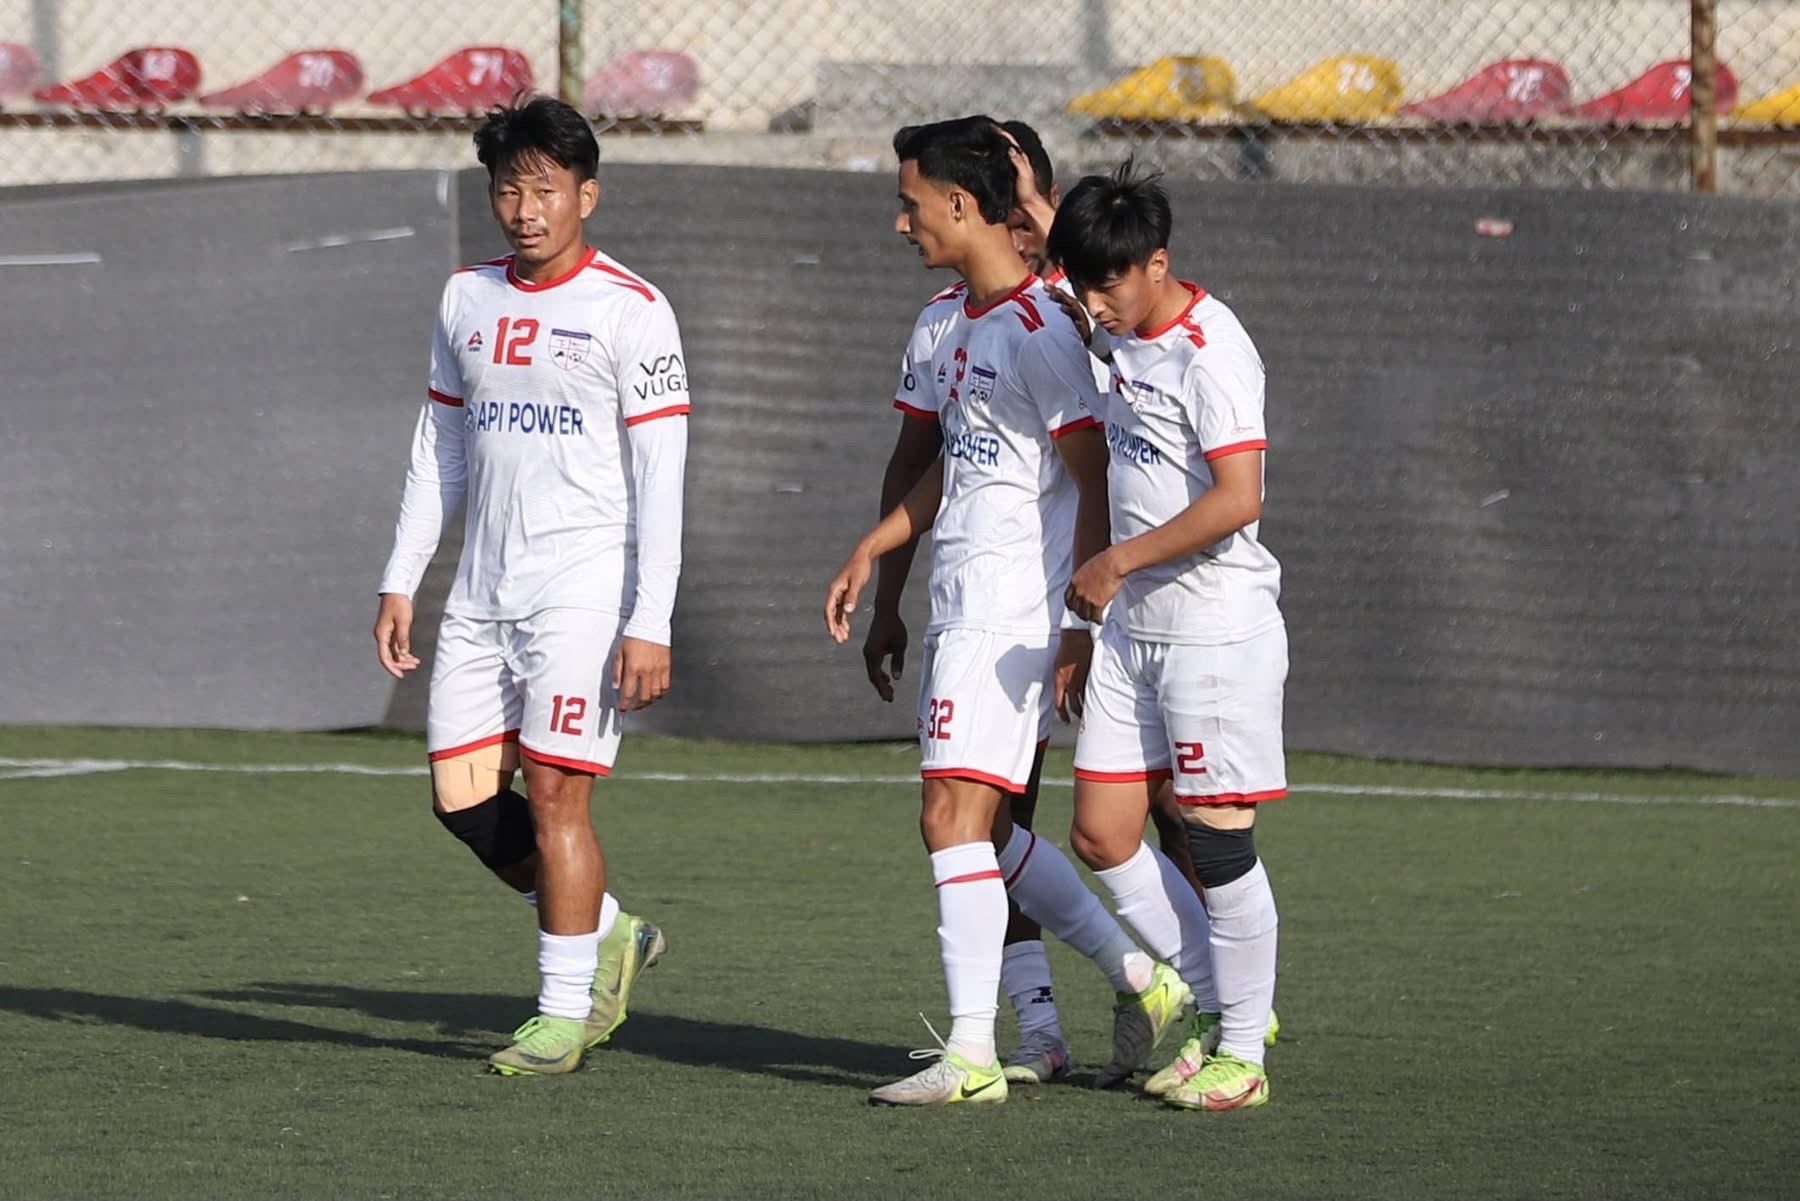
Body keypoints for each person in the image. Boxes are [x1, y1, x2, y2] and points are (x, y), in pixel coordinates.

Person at [827, 117, 1191, 1107]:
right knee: (980, 831)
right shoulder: (959, 323)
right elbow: (953, 464)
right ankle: (1139, 977)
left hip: (1011, 616)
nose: (901, 222)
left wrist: (1079, 625)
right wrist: (875, 550)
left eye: (910, 203)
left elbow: (1096, 477)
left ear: (958, 204)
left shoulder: (1041, 330)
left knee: (949, 817)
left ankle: (973, 1054)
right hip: (965, 608)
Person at [372, 95, 686, 1076]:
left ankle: (561, 1013)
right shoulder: (466, 296)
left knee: (554, 793)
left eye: (545, 189)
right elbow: (440, 447)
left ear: (586, 195)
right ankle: (612, 931)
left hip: (583, 589)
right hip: (481, 591)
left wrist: (650, 617)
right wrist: (401, 577)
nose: (525, 208)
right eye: (509, 188)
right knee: (462, 801)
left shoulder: (632, 309)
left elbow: (662, 477)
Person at [1048, 162, 1284, 1111]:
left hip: (1212, 631)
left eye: (1109, 283)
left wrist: (1115, 563)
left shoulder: (1212, 352)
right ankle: (1223, 1009)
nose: (1094, 303)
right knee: (1102, 833)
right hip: (1131, 630)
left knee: (1218, 843)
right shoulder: (1119, 330)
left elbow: (1240, 498)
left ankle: (1243, 1051)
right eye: (1083, 284)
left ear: (1158, 263)